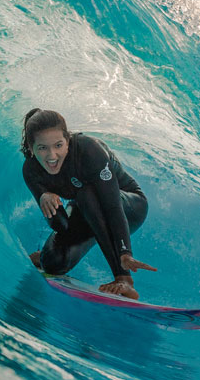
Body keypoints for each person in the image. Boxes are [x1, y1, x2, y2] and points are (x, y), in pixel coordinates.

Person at [20, 108, 156, 299]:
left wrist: (125, 253)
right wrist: (46, 197)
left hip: (128, 207)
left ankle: (123, 280)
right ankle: (45, 256)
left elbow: (112, 207)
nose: (52, 155)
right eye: (42, 148)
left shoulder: (89, 150)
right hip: (86, 211)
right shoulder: (31, 171)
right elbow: (61, 226)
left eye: (58, 145)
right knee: (53, 263)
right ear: (31, 147)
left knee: (85, 194)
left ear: (68, 140)